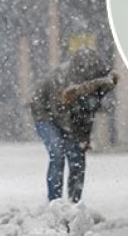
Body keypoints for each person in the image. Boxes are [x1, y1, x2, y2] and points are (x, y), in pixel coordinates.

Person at [30, 48, 117, 203]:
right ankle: (55, 203)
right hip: (45, 115)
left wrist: (84, 138)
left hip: (69, 119)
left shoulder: (96, 86)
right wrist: (78, 137)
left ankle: (74, 203)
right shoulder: (61, 80)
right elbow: (63, 114)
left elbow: (88, 114)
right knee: (57, 153)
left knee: (77, 158)